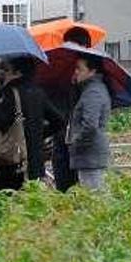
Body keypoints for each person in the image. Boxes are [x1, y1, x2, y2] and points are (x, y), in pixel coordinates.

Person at [0, 58, 65, 189]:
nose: (4, 74)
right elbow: (59, 120)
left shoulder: (8, 93)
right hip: (35, 158)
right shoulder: (38, 92)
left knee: (7, 199)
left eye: (7, 70)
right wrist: (39, 134)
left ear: (17, 72)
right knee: (30, 199)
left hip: (12, 159)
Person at [49, 27, 92, 192]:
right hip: (61, 138)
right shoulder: (59, 73)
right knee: (62, 187)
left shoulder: (93, 79)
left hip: (80, 144)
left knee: (81, 191)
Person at [67, 55, 111, 190]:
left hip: (91, 158)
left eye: (79, 69)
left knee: (94, 199)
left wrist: (75, 143)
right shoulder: (89, 90)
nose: (76, 72)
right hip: (90, 157)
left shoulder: (93, 92)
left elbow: (90, 126)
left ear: (92, 71)